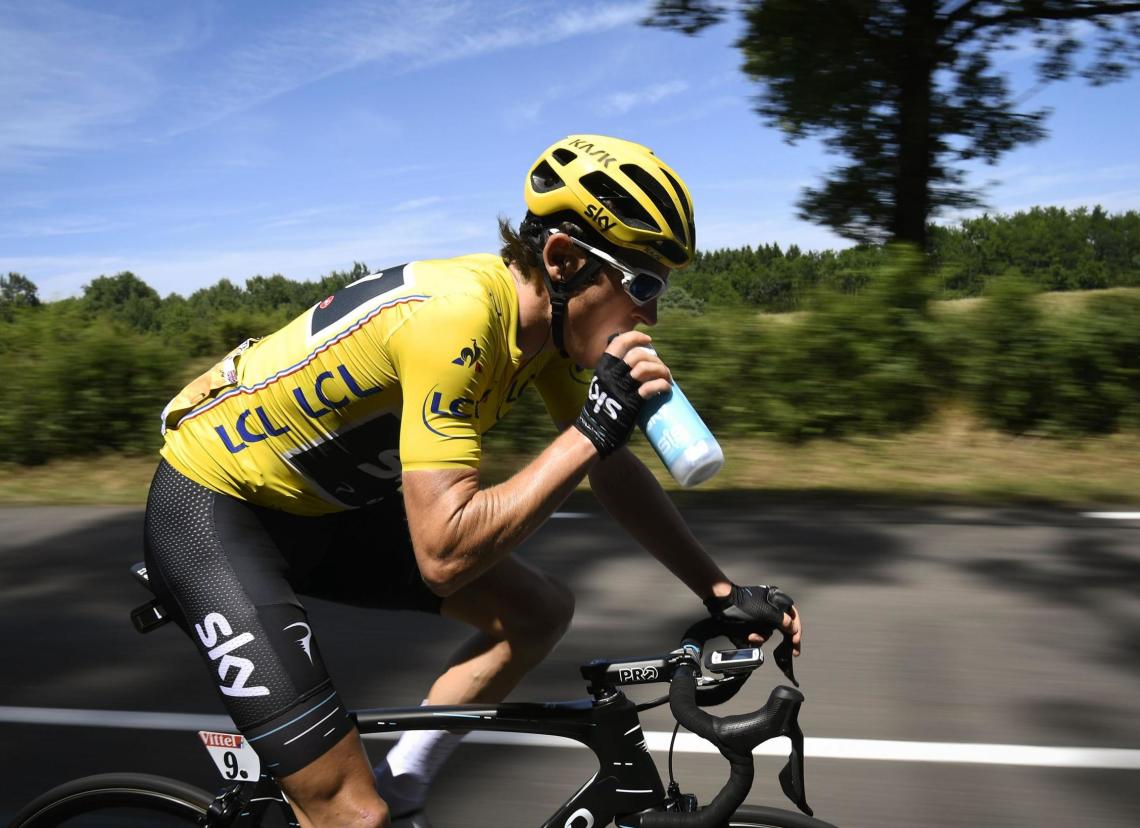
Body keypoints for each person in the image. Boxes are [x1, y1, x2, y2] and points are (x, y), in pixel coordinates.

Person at [145, 134, 802, 828]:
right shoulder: (456, 318)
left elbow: (608, 469)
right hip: (217, 512)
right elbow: (443, 556)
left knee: (537, 612)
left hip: (330, 512)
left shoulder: (546, 333)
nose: (653, 314)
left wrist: (720, 591)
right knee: (348, 813)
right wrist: (590, 430)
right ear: (564, 260)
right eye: (641, 285)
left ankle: (405, 785)